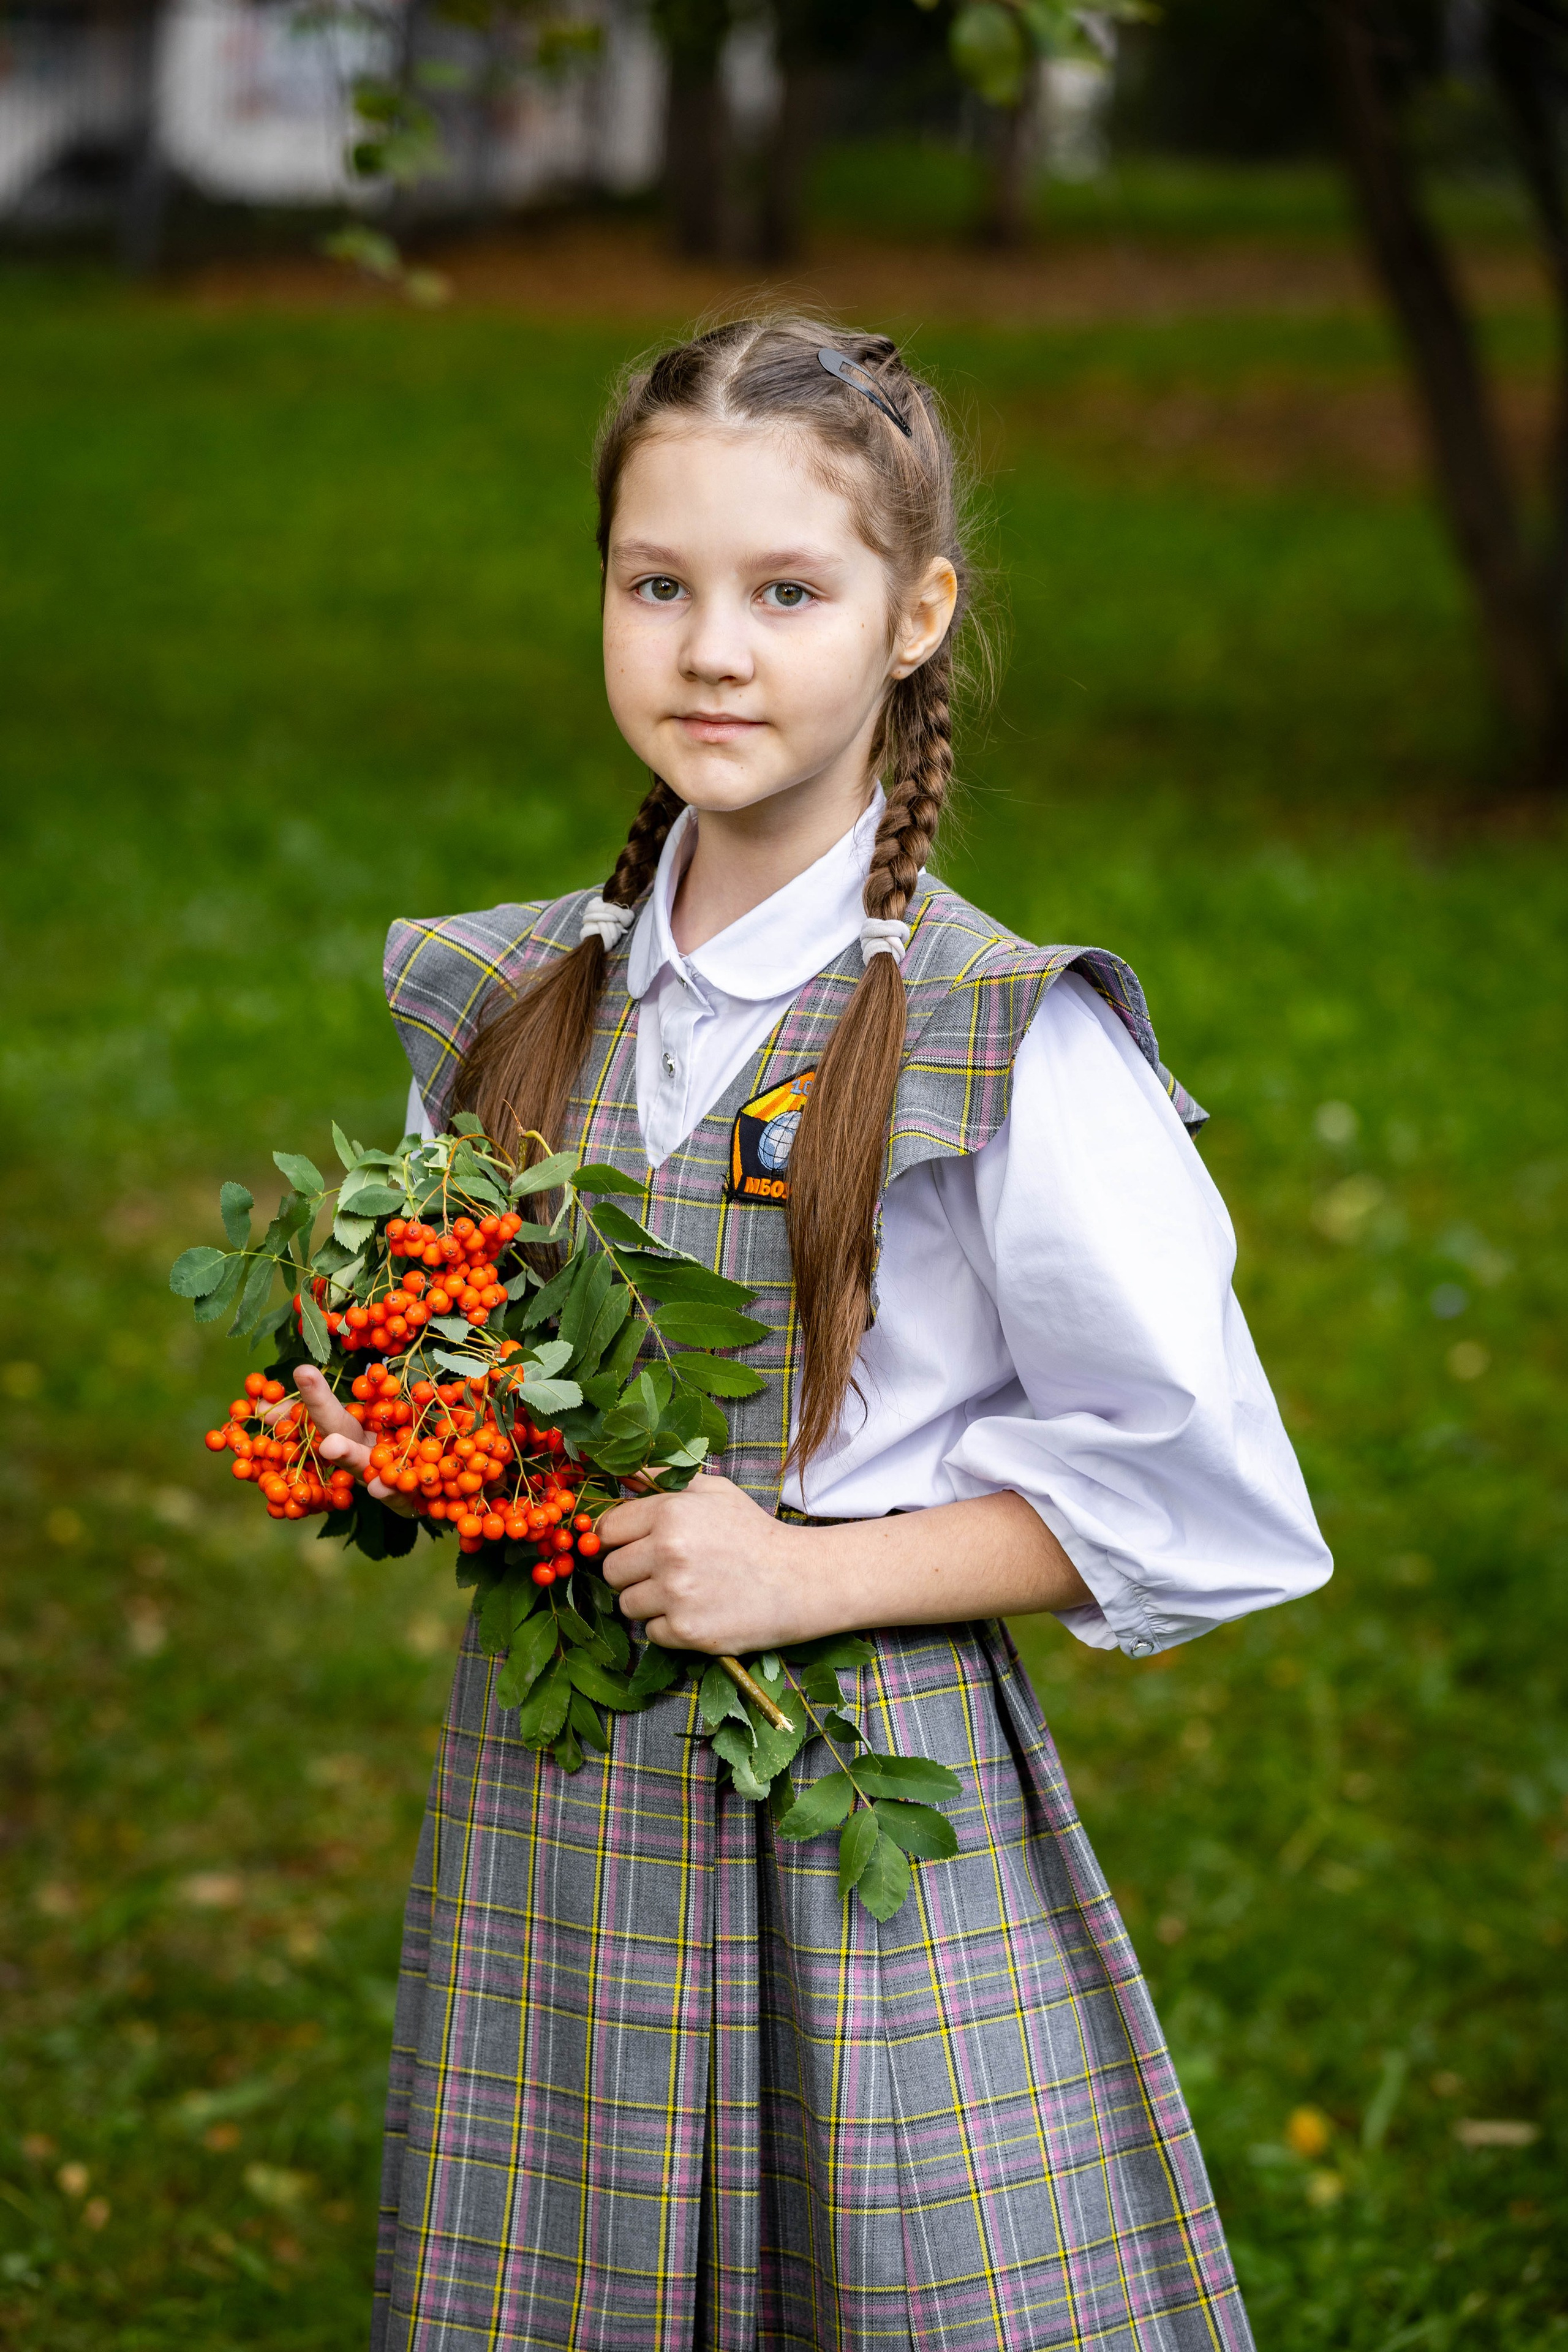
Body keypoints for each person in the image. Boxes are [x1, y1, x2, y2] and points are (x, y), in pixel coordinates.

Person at [296, 315, 1330, 2351]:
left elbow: (1209, 1502)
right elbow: (505, 1391)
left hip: (861, 1814)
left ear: (914, 616)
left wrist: (805, 1575)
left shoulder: (1002, 1040)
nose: (711, 651)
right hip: (556, 1826)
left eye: (788, 593)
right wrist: (407, 1436)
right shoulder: (508, 1002)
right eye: (656, 585)